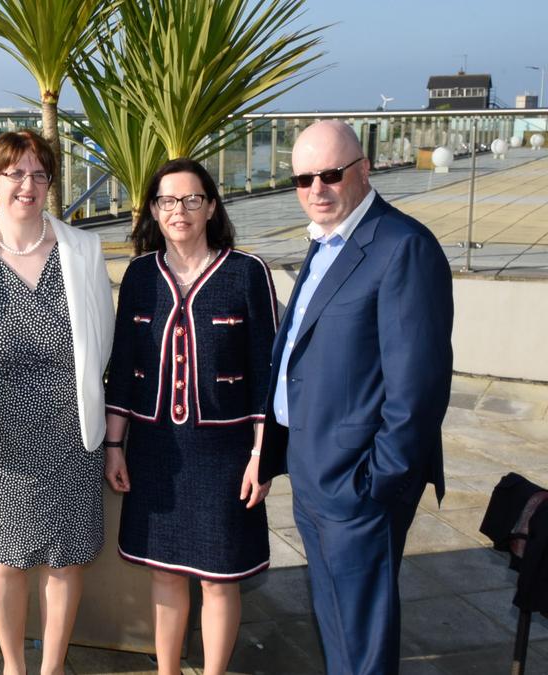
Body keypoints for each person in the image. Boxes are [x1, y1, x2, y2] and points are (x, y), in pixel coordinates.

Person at [260, 120, 453, 675]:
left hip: (358, 485)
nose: (316, 189)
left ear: (364, 170)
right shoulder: (327, 241)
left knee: (361, 638)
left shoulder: (402, 247)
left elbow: (418, 389)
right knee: (337, 623)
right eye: (303, 179)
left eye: (330, 174)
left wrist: (377, 484)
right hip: (315, 471)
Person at [0, 129, 114, 675]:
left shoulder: (82, 249)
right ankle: (14, 665)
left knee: (65, 558)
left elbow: (102, 336)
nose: (27, 185)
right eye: (14, 173)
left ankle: (52, 666)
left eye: (39, 174)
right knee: (5, 559)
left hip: (70, 428)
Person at [103, 158, 277, 675]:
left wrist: (262, 455)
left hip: (225, 454)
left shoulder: (247, 272)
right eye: (167, 201)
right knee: (164, 572)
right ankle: (168, 670)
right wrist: (114, 446)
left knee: (220, 578)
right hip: (155, 450)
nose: (179, 210)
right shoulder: (139, 276)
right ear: (154, 211)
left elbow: (266, 373)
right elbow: (124, 366)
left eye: (192, 199)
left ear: (212, 207)